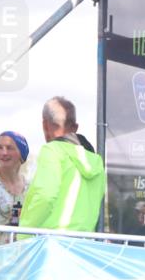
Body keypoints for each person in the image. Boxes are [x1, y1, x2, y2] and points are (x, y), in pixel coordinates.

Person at [20, 96, 106, 233]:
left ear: (45, 125)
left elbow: (45, 196)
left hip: (52, 243)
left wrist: (24, 234)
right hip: (84, 244)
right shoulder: (97, 161)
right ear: (75, 127)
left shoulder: (52, 150)